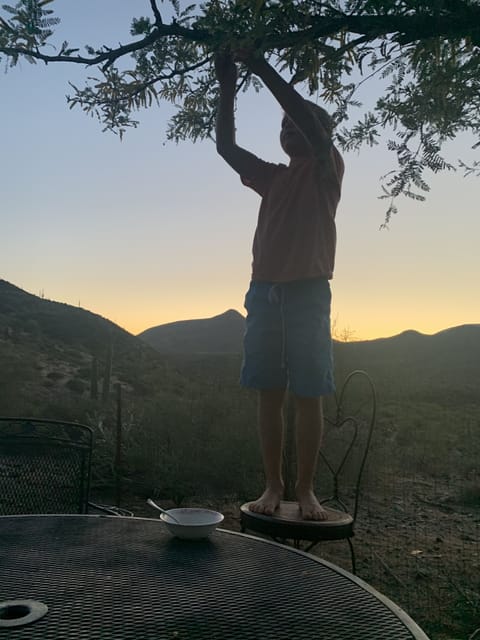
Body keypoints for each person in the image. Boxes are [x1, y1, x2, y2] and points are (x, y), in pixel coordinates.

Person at [215, 50, 344, 521]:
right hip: (264, 292)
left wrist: (261, 67)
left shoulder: (328, 168)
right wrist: (228, 84)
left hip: (309, 291)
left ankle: (306, 491)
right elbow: (226, 149)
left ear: (320, 133)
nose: (289, 130)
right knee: (269, 389)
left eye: (297, 124)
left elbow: (312, 126)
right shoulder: (272, 177)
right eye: (282, 126)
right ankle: (272, 485)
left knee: (308, 391)